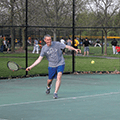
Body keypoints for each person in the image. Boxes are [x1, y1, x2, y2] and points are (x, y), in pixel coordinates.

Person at [26, 34, 80, 99]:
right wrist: (30, 67)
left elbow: (67, 46)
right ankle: (48, 87)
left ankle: (55, 93)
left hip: (60, 63)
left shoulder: (57, 44)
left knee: (59, 76)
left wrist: (75, 49)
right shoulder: (44, 48)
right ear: (45, 40)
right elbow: (39, 59)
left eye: (50, 39)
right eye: (47, 40)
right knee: (49, 80)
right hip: (52, 65)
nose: (49, 41)